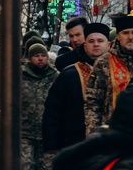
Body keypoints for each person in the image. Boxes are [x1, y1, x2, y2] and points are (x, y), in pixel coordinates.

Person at [43, 22, 110, 157]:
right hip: (75, 144)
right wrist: (52, 145)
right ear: (85, 45)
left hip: (110, 144)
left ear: (108, 45)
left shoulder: (118, 74)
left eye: (100, 40)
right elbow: (53, 110)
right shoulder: (70, 73)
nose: (96, 44)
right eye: (91, 41)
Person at [84, 15, 133, 134]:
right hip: (111, 132)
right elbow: (93, 102)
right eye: (125, 33)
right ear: (118, 36)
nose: (130, 37)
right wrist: (94, 135)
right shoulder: (104, 63)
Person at [20, 43, 59, 170]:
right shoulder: (20, 75)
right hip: (24, 131)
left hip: (48, 131)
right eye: (36, 56)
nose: (40, 59)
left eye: (43, 56)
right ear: (30, 59)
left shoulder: (55, 76)